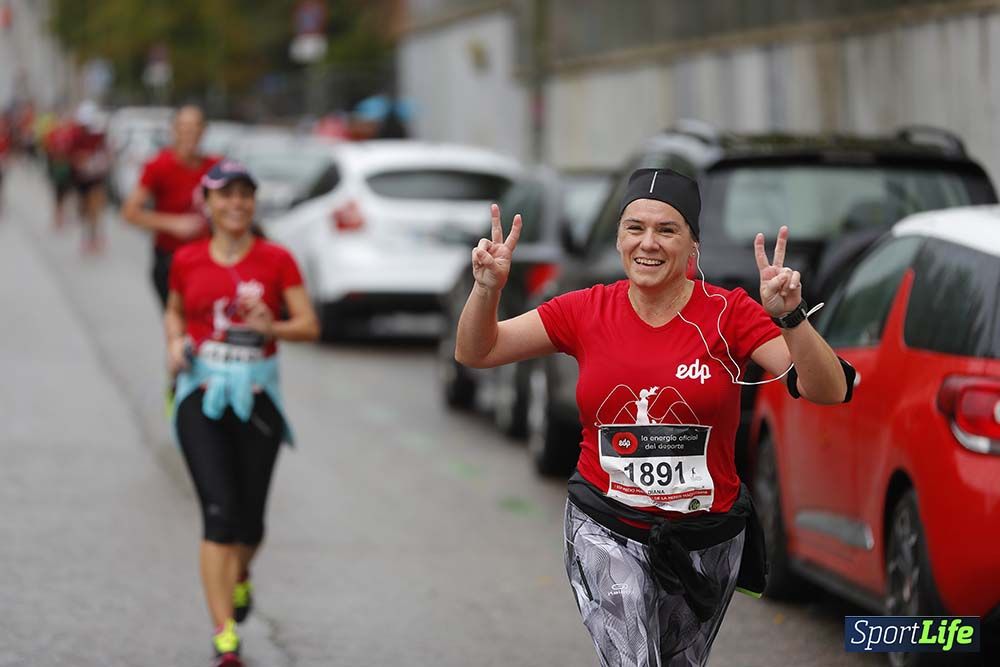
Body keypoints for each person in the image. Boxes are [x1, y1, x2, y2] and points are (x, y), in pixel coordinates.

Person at [455, 168, 855, 666]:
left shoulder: (728, 313)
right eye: (634, 228)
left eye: (667, 230)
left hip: (704, 536)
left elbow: (829, 389)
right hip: (606, 523)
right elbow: (478, 350)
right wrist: (486, 288)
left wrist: (791, 316)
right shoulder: (586, 309)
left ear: (693, 246)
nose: (648, 243)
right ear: (620, 238)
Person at [165, 160, 319, 666]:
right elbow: (174, 309)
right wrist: (172, 343)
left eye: (245, 195)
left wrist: (272, 325)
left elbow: (309, 326)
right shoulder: (186, 259)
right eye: (225, 195)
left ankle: (242, 575)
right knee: (219, 513)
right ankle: (224, 634)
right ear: (206, 204)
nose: (236, 204)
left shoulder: (276, 260)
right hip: (200, 395)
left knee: (249, 524)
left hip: (257, 398)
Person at [122, 104, 220, 308]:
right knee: (177, 323)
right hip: (170, 258)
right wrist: (174, 224)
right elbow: (130, 212)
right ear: (173, 131)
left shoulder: (216, 166)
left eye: (194, 128)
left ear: (204, 131)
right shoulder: (158, 166)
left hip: (209, 258)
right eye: (183, 128)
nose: (189, 134)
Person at [68, 101, 111, 253]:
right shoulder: (75, 135)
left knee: (95, 207)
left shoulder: (99, 134)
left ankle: (94, 237)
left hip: (95, 178)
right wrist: (81, 160)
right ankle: (87, 236)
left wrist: (101, 162)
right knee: (83, 210)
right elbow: (71, 155)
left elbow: (106, 152)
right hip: (80, 179)